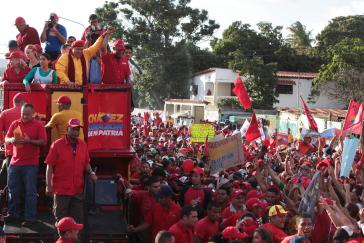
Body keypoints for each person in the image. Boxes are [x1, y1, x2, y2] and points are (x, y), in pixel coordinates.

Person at [45, 118, 97, 223]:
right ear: (67, 129)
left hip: (77, 191)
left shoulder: (83, 145)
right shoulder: (57, 145)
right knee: (60, 222)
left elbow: (86, 162)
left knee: (78, 222)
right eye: (73, 129)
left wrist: (91, 173)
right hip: (61, 191)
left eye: (77, 129)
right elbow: (49, 166)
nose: (76, 131)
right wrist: (48, 186)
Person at [5, 103, 47, 226]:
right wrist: (11, 140)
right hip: (15, 162)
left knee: (30, 192)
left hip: (30, 164)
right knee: (13, 190)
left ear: (33, 114)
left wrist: (30, 141)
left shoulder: (38, 125)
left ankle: (30, 218)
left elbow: (43, 142)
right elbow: (6, 139)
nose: (24, 116)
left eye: (27, 114)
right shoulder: (15, 123)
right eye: (23, 114)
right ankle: (14, 215)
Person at [0, 93, 27, 189]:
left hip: (11, 152)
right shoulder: (29, 114)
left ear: (14, 102)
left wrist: (4, 142)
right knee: (25, 181)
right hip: (27, 152)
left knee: (11, 180)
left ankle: (11, 201)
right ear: (23, 102)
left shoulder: (5, 113)